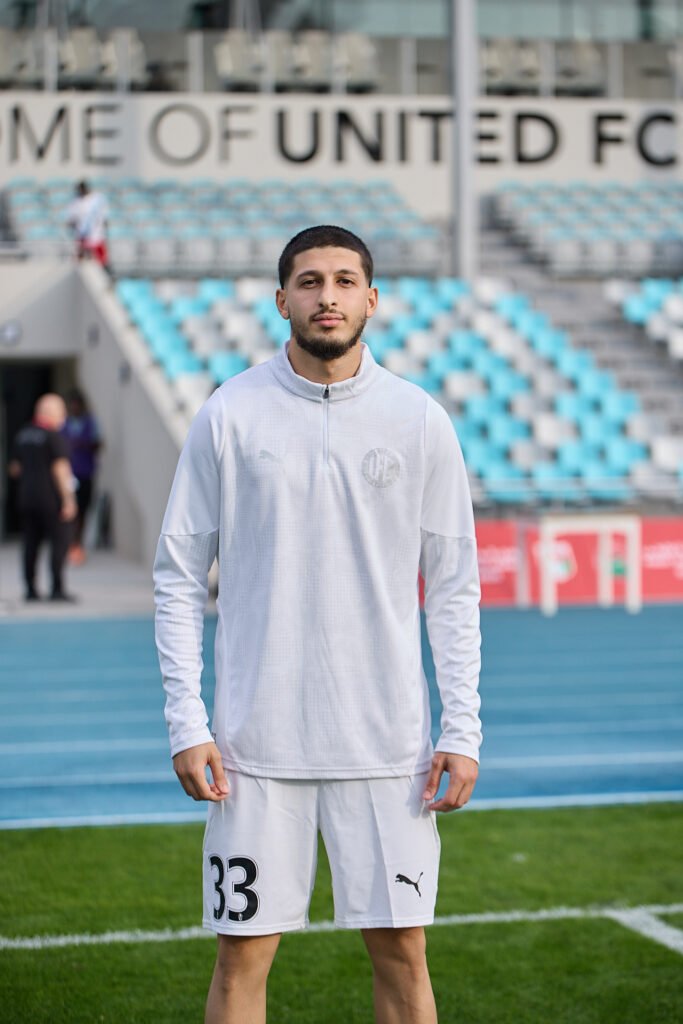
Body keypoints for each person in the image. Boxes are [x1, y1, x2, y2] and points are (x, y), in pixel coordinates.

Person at [154, 225, 482, 1024]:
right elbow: (177, 575)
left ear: (371, 299)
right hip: (253, 748)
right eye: (308, 282)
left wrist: (462, 726)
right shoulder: (229, 414)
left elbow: (452, 587)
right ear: (281, 300)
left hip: (387, 748)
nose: (326, 297)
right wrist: (186, 722)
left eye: (342, 281)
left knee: (403, 955)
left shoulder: (417, 420)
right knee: (241, 958)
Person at [8, 394, 78, 602]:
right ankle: (57, 588)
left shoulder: (22, 435)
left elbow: (14, 468)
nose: (63, 417)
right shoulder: (53, 437)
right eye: (61, 412)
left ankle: (30, 589)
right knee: (59, 542)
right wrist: (68, 499)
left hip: (27, 498)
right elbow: (60, 469)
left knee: (30, 544)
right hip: (51, 500)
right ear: (50, 413)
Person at [62, 388, 102, 565]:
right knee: (71, 511)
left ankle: (78, 544)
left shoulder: (90, 423)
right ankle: (71, 545)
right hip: (68, 475)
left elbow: (98, 443)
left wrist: (81, 444)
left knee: (83, 510)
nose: (75, 408)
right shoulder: (64, 424)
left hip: (85, 473)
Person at [65, 180, 109, 267]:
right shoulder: (76, 202)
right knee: (81, 257)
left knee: (100, 258)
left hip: (96, 233)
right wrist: (72, 225)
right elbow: (71, 218)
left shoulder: (97, 198)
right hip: (82, 234)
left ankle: (103, 269)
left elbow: (104, 215)